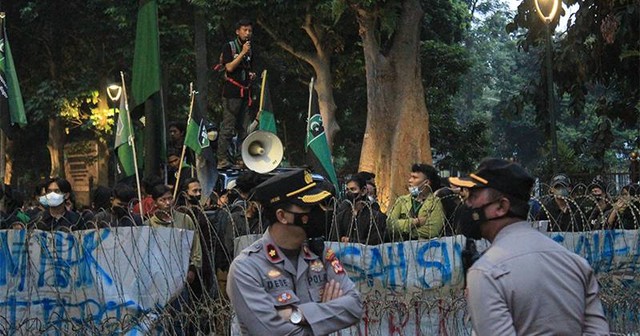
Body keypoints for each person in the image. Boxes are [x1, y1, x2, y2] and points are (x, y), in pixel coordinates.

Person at [449, 158, 609, 335]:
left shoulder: (487, 272)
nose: (467, 204)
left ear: (501, 206)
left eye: (473, 196)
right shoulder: (576, 263)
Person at [227, 169, 362, 334]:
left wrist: (300, 315)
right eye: (309, 207)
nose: (318, 213)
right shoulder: (247, 268)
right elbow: (275, 333)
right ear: (282, 216)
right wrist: (326, 315)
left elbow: (355, 306)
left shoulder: (319, 253)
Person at [216, 18, 256, 169]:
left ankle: (241, 158)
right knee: (228, 127)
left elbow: (249, 67)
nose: (247, 33)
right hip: (231, 93)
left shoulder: (251, 48)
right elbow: (230, 68)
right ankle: (222, 159)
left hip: (245, 93)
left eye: (250, 30)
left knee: (244, 128)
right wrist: (242, 53)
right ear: (237, 31)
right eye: (245, 30)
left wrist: (252, 74)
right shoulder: (230, 47)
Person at [386, 163, 445, 241]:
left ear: (426, 182)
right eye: (411, 177)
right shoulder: (402, 200)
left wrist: (405, 231)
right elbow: (390, 224)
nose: (410, 180)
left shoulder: (435, 203)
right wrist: (416, 222)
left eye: (415, 178)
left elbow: (433, 230)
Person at [333, 175, 386, 244]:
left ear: (363, 191)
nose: (349, 193)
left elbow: (375, 242)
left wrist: (351, 241)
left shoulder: (375, 217)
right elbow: (334, 241)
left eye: (353, 189)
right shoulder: (341, 217)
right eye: (347, 190)